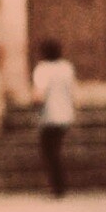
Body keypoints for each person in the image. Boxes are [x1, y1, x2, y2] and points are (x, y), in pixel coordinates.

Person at [31, 39, 78, 198]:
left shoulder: (42, 69)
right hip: (65, 115)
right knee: (55, 150)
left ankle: (57, 186)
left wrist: (34, 104)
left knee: (49, 152)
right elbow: (73, 91)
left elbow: (39, 94)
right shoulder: (67, 68)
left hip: (49, 116)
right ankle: (59, 185)